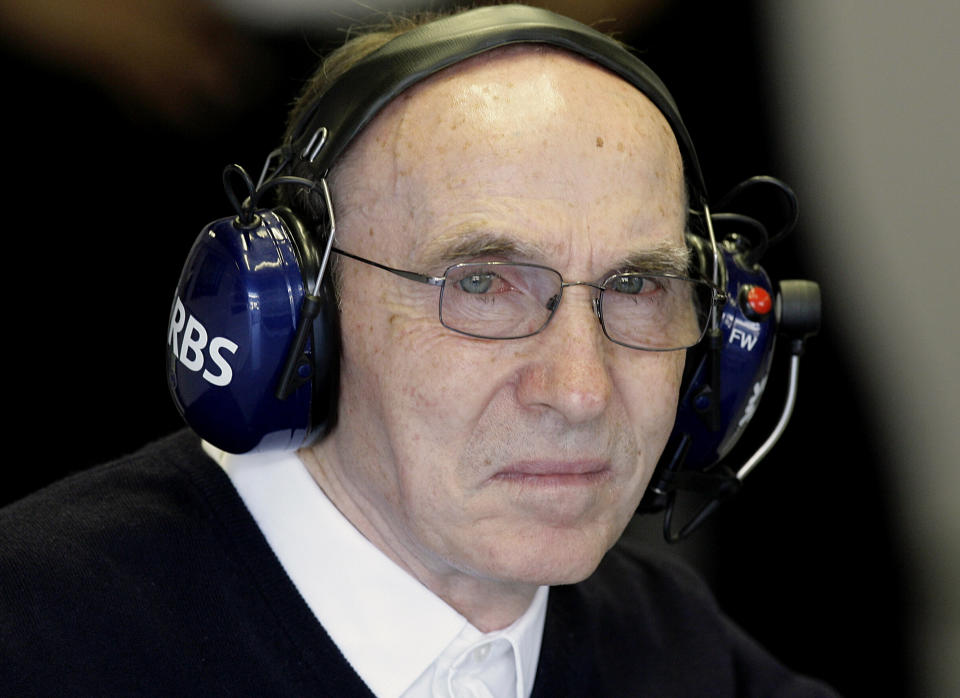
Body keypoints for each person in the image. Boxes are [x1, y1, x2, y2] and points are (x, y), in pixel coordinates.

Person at [0, 5, 837, 696]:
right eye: (480, 285)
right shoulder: (36, 632)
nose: (581, 391)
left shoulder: (682, 657)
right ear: (300, 317)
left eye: (638, 288)